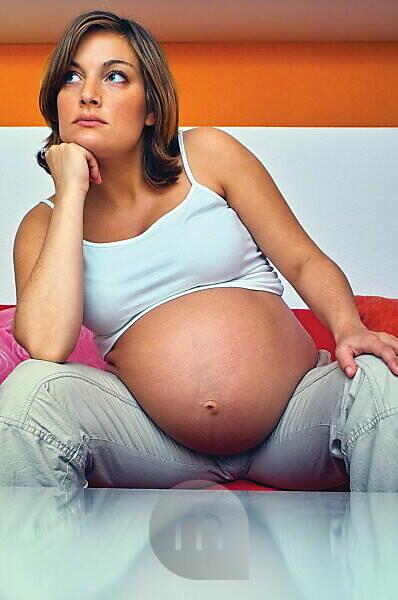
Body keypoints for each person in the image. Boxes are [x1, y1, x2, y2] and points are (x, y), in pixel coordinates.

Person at [1, 9, 397, 491]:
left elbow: (302, 258)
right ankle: (33, 567)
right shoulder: (43, 224)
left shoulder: (207, 156)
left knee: (380, 382)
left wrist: (348, 327)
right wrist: (70, 192)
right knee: (28, 395)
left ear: (151, 108)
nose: (88, 94)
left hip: (295, 419)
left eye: (116, 76)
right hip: (155, 444)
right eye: (72, 77)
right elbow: (45, 345)